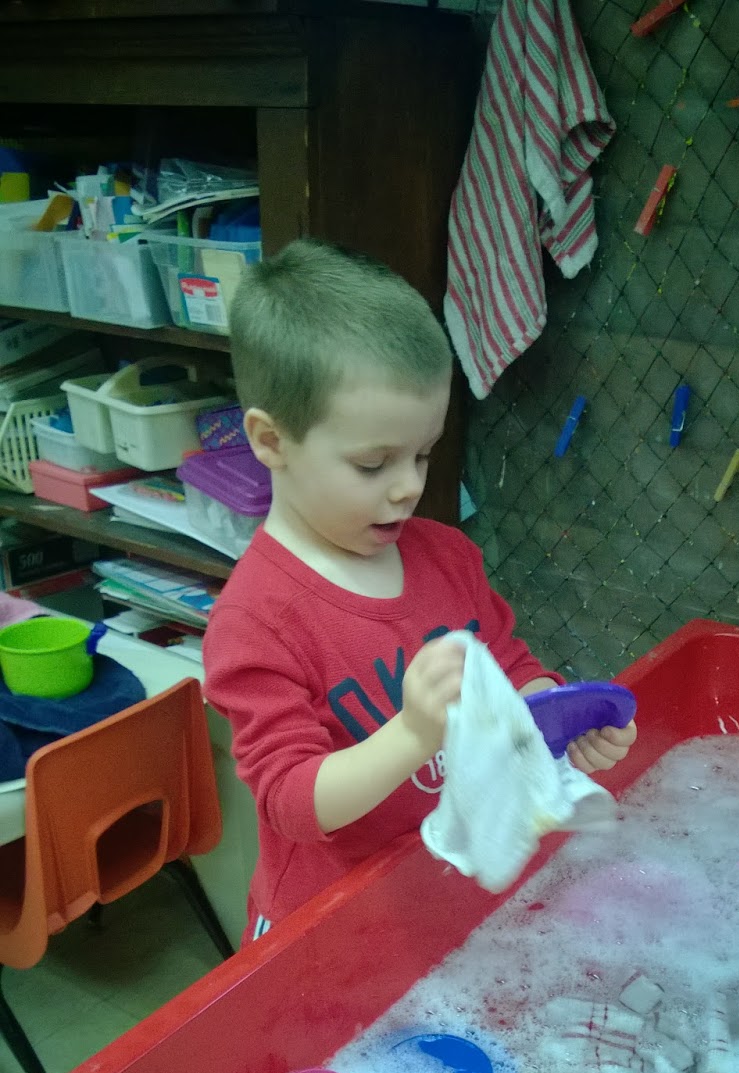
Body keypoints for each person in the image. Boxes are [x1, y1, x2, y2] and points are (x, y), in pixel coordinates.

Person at [203, 239, 637, 942]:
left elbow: (511, 666)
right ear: (270, 440)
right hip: (326, 926)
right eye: (373, 463)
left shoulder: (446, 556)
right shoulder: (256, 620)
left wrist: (556, 721)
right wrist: (412, 733)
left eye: (423, 453)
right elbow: (290, 801)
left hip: (437, 888)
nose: (409, 486)